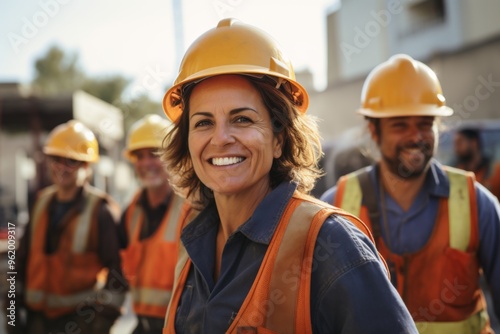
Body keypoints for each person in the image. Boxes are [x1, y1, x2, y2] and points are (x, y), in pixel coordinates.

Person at [160, 18, 417, 333]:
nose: (220, 138)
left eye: (241, 119)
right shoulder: (191, 238)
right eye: (203, 122)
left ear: (279, 139)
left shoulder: (331, 244)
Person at [321, 54, 500, 333]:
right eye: (400, 125)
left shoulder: (477, 204)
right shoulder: (337, 207)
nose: (416, 136)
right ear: (374, 131)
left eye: (425, 123)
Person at [15, 120, 127, 334]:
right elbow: (20, 259)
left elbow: (118, 275)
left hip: (78, 323)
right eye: (56, 159)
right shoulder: (40, 202)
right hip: (34, 321)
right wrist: (12, 311)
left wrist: (99, 325)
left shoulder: (102, 211)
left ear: (86, 166)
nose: (61, 167)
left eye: (71, 161)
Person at [118, 114, 191, 334]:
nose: (146, 163)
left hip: (181, 327)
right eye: (139, 157)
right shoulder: (131, 211)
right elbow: (119, 274)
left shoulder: (192, 208)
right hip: (144, 324)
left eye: (154, 154)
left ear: (172, 157)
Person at [453, 127, 500, 199]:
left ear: (473, 143)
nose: (456, 148)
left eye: (460, 142)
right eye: (455, 144)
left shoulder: (496, 171)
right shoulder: (456, 173)